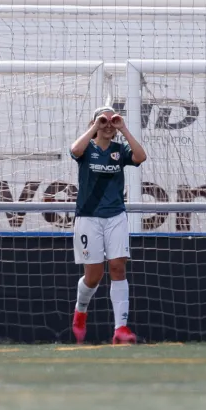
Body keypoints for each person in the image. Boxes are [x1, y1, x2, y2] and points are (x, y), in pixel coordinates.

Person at [69, 106, 147, 345]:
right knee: (93, 276)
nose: (108, 125)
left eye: (113, 121)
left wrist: (123, 128)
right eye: (104, 121)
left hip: (115, 216)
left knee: (117, 267)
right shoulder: (87, 149)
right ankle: (81, 310)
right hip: (88, 217)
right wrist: (96, 124)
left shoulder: (119, 149)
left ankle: (120, 328)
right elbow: (74, 150)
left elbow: (140, 157)